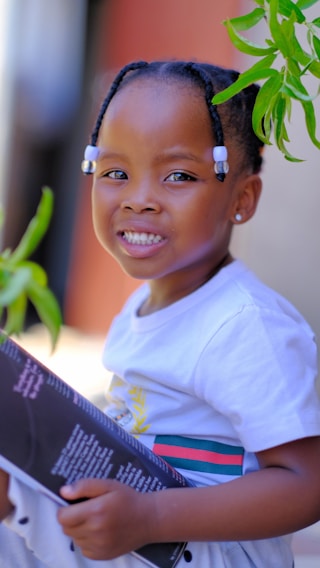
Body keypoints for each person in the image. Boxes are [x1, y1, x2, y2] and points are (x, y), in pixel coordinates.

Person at [1, 59, 320, 568]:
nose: (139, 200)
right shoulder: (141, 307)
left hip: (210, 551)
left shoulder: (246, 325)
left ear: (242, 198)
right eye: (116, 173)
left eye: (178, 175)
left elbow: (307, 487)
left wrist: (151, 518)